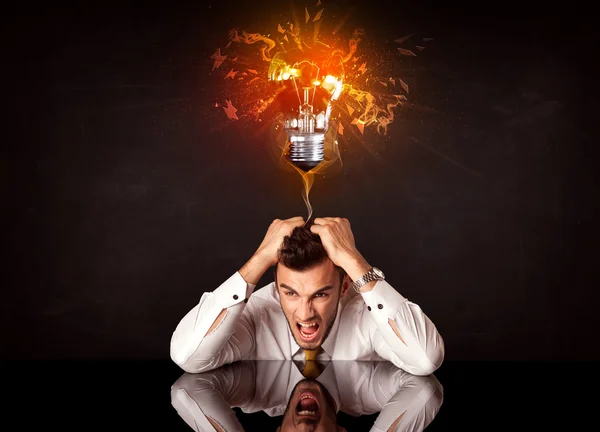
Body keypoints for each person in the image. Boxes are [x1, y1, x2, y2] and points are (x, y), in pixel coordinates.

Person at [170, 216, 444, 376]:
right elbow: (187, 357)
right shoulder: (256, 315)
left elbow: (426, 359)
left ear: (345, 287)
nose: (305, 313)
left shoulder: (365, 315)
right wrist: (261, 258)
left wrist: (355, 261)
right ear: (276, 287)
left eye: (321, 294)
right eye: (290, 292)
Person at [170, 360, 444, 432]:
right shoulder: (367, 390)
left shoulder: (255, 391)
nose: (305, 427)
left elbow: (186, 391)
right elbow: (425, 391)